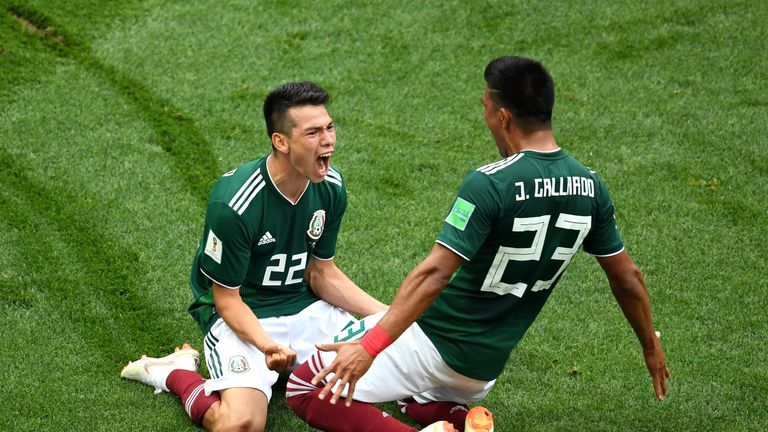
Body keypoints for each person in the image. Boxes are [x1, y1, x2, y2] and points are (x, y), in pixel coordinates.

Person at [284, 56, 670, 432]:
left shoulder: (490, 182)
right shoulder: (591, 185)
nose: (485, 119)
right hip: (483, 371)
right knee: (410, 395)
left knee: (305, 386)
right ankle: (462, 420)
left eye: (486, 108)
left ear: (503, 116)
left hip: (436, 345)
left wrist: (369, 347)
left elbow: (434, 274)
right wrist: (649, 346)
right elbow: (628, 279)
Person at [121, 81, 387, 432]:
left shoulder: (331, 186)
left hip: (308, 310)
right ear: (281, 141)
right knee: (240, 424)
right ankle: (176, 373)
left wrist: (391, 318)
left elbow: (321, 274)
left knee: (400, 363)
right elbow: (225, 298)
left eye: (329, 127)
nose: (328, 140)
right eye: (313, 133)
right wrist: (268, 346)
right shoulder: (235, 203)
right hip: (245, 316)